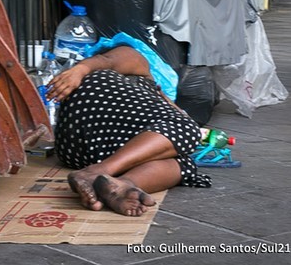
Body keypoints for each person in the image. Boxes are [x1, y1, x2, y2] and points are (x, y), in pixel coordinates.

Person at [46, 46, 211, 217]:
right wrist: (81, 69)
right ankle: (97, 171)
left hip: (75, 149)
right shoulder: (140, 73)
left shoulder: (150, 122)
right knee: (186, 129)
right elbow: (109, 60)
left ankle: (121, 185)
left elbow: (172, 126)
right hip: (93, 97)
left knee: (184, 164)